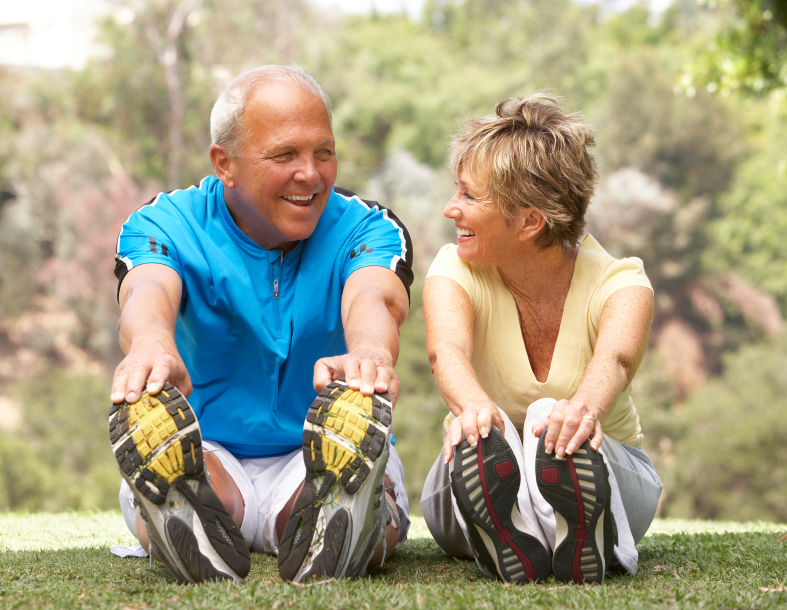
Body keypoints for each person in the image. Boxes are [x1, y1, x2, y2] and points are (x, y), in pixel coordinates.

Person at [108, 65, 413, 584]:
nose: (311, 174)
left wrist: (369, 352)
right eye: (285, 155)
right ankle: (182, 508)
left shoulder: (367, 226)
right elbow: (147, 289)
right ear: (224, 163)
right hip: (206, 447)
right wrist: (152, 344)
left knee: (329, 494)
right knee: (204, 482)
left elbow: (374, 296)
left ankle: (345, 513)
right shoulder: (165, 223)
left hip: (316, 451)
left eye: (324, 152)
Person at [420, 94, 662, 585]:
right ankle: (527, 525)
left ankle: (563, 518)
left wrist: (583, 412)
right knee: (489, 438)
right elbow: (446, 351)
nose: (452, 209)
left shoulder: (622, 284)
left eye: (469, 196)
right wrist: (472, 409)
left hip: (608, 468)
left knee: (548, 421)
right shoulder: (455, 269)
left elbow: (614, 360)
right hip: (476, 451)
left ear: (530, 221)